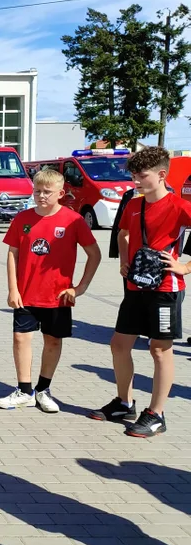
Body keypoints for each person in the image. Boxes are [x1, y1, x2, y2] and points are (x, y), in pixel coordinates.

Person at [88, 146, 191, 437]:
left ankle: (156, 414)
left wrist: (185, 266)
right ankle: (124, 402)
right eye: (133, 175)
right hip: (136, 285)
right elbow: (122, 234)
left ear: (161, 175)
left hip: (165, 289)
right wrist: (123, 259)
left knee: (159, 349)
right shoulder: (134, 204)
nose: (136, 180)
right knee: (119, 344)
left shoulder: (179, 205)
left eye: (142, 175)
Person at [0, 168, 101, 413]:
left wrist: (80, 287)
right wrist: (13, 289)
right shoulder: (23, 219)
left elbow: (94, 254)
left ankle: (43, 389)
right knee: (21, 338)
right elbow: (12, 254)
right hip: (26, 294)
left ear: (61, 193)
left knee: (52, 341)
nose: (41, 196)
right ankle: (24, 390)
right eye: (37, 191)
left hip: (58, 296)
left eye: (47, 192)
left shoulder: (73, 220)